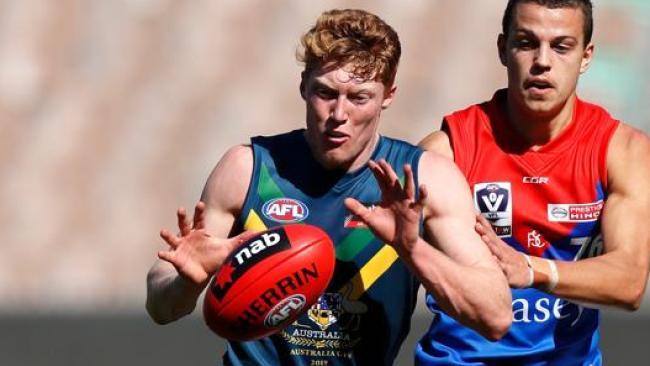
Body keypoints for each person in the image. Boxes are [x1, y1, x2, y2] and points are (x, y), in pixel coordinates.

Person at [146, 8, 511, 366]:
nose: (338, 115)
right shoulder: (248, 169)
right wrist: (187, 282)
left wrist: (412, 248)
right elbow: (160, 308)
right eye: (325, 93)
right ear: (303, 86)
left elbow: (494, 317)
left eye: (359, 98)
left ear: (388, 95)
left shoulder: (425, 180)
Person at [418, 0, 650, 364]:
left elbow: (630, 281)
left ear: (586, 56)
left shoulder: (622, 151)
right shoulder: (447, 152)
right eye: (526, 43)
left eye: (561, 46)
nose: (542, 61)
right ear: (502, 49)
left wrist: (530, 270)